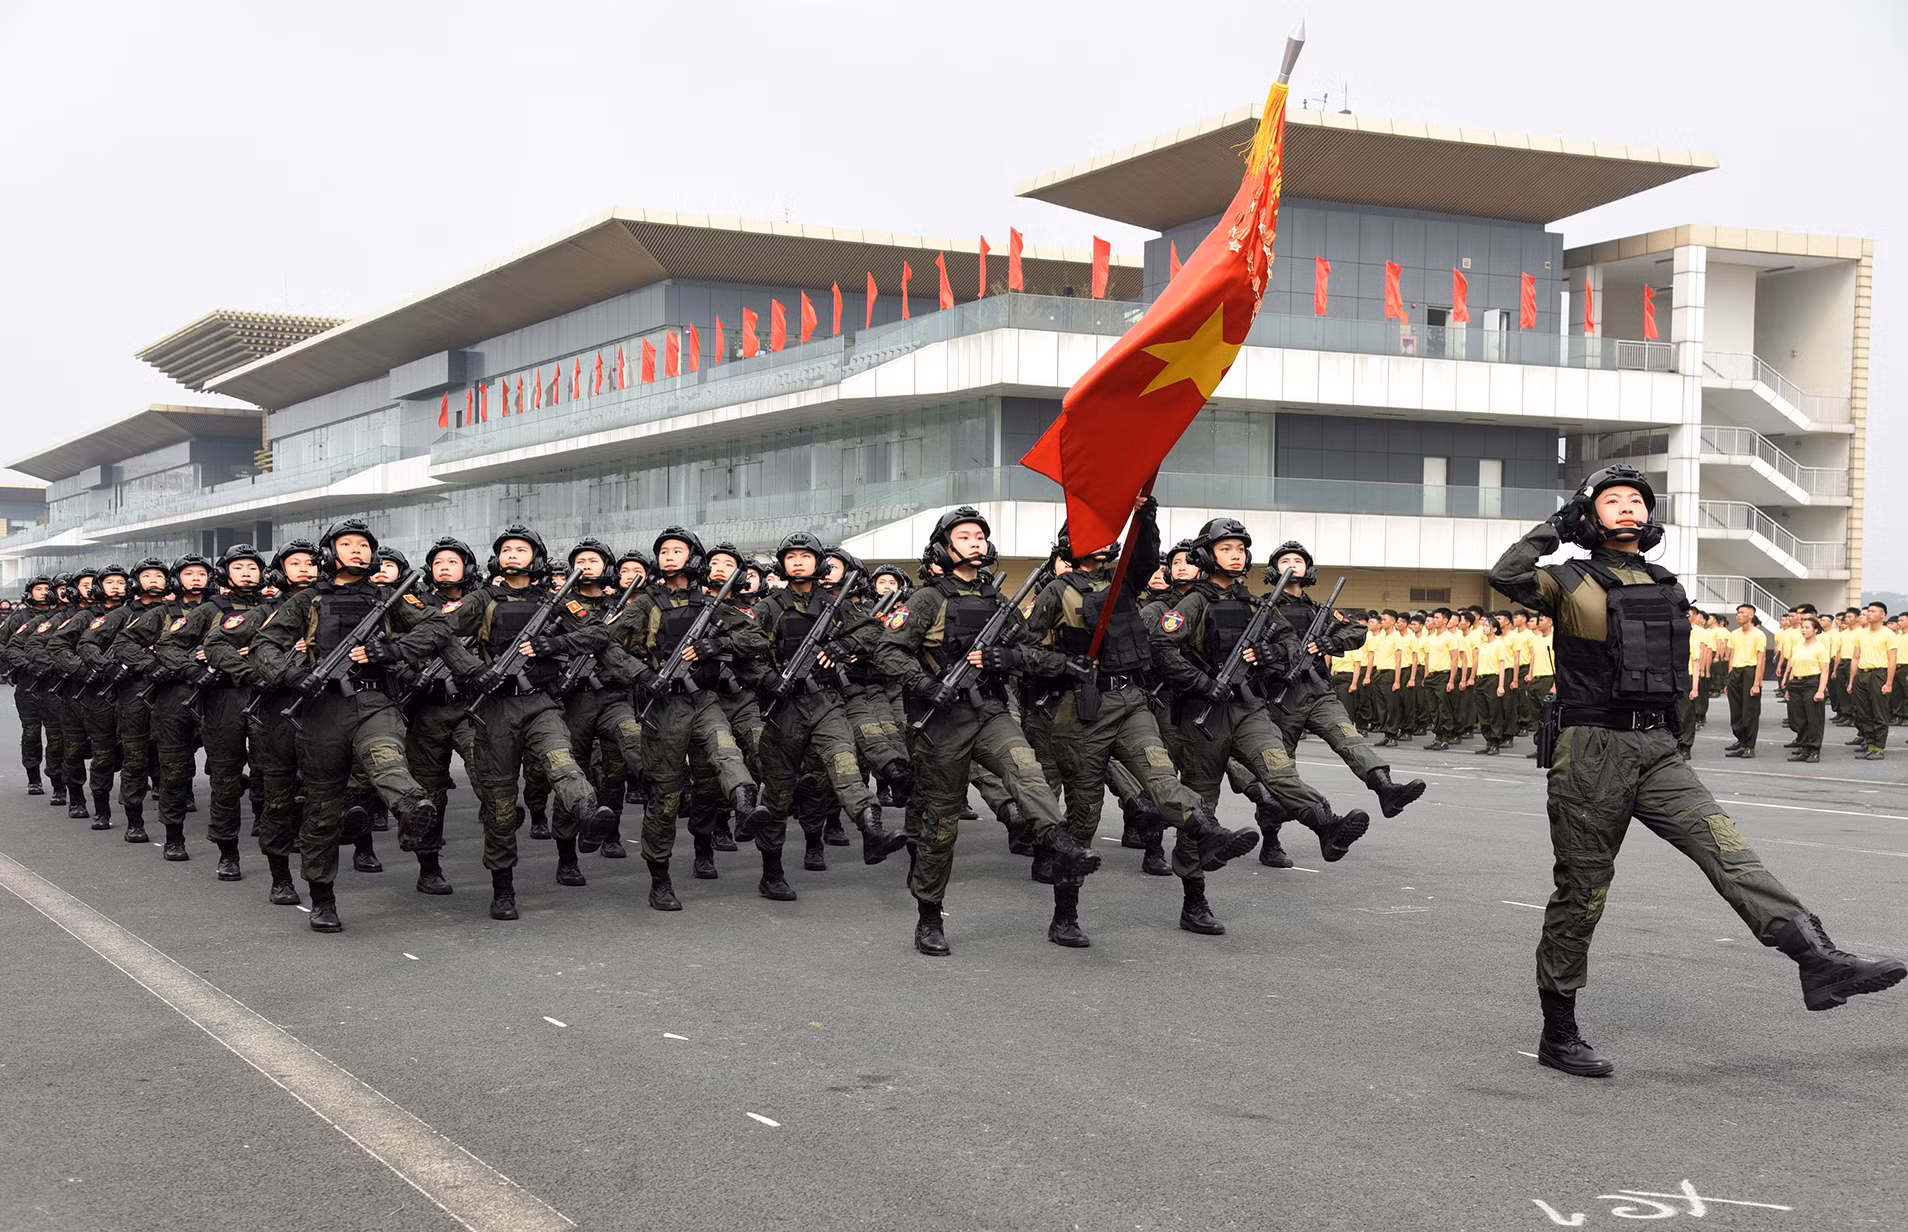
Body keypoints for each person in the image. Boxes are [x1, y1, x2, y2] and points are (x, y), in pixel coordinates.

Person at [1489, 463, 1903, 1079]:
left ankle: (1816, 959)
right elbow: (1504, 575)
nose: (1628, 507)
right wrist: (1557, 526)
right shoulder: (1564, 580)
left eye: (1637, 500)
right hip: (1591, 753)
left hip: (1656, 749)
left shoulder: (1664, 583)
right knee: (1583, 892)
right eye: (1613, 501)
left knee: (1730, 851)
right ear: (1588, 514)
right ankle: (1559, 1029)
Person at [1025, 498, 1258, 942]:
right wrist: (1064, 664)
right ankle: (1065, 916)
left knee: (1161, 776)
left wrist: (1144, 515)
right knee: (1084, 819)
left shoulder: (1123, 583)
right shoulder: (1057, 592)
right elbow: (1024, 650)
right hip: (1082, 710)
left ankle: (1208, 832)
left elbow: (1145, 558)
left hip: (1131, 701)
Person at [875, 507, 1103, 955]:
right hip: (940, 723)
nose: (976, 542)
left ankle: (1058, 839)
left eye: (981, 535)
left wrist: (1017, 661)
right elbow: (888, 651)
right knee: (941, 827)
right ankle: (928, 915)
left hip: (990, 712)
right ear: (945, 545)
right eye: (965, 536)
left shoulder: (997, 602)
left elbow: (1028, 650)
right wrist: (927, 683)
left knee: (1026, 769)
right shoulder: (926, 599)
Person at [249, 518, 446, 932]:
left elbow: (437, 626)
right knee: (322, 810)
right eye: (347, 544)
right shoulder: (307, 600)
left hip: (375, 699)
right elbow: (264, 643)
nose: (356, 550)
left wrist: (389, 650)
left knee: (386, 754)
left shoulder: (389, 595)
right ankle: (323, 897)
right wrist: (290, 675)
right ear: (329, 552)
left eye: (363, 544)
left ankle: (410, 806)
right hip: (322, 709)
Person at [1845, 601, 1896, 759]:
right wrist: (1852, 680)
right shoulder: (1862, 633)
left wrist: (1888, 683)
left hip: (1878, 674)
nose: (1869, 614)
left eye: (1873, 611)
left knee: (1878, 712)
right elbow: (1855, 657)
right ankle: (1869, 742)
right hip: (1862, 674)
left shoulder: (1888, 634)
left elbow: (1892, 660)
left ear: (1883, 615)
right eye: (1868, 611)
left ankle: (1878, 747)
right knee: (1863, 712)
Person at [1782, 615, 1830, 763]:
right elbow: (1793, 668)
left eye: (1807, 627)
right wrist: (1789, 688)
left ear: (1816, 630)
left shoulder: (1820, 648)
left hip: (1812, 683)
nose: (1803, 630)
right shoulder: (1797, 646)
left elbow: (1825, 671)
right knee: (1799, 719)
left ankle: (1814, 750)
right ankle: (1804, 748)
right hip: (1796, 683)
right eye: (1802, 627)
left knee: (1814, 719)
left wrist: (1821, 690)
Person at [1723, 604, 1765, 757]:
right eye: (1737, 613)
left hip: (1750, 671)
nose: (1738, 615)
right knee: (1736, 711)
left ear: (1750, 615)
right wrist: (1729, 678)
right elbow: (1732, 656)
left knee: (1749, 712)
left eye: (1742, 613)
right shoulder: (1734, 634)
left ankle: (1749, 746)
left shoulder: (1758, 635)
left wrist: (1756, 683)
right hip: (1736, 672)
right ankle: (1741, 742)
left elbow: (1761, 660)